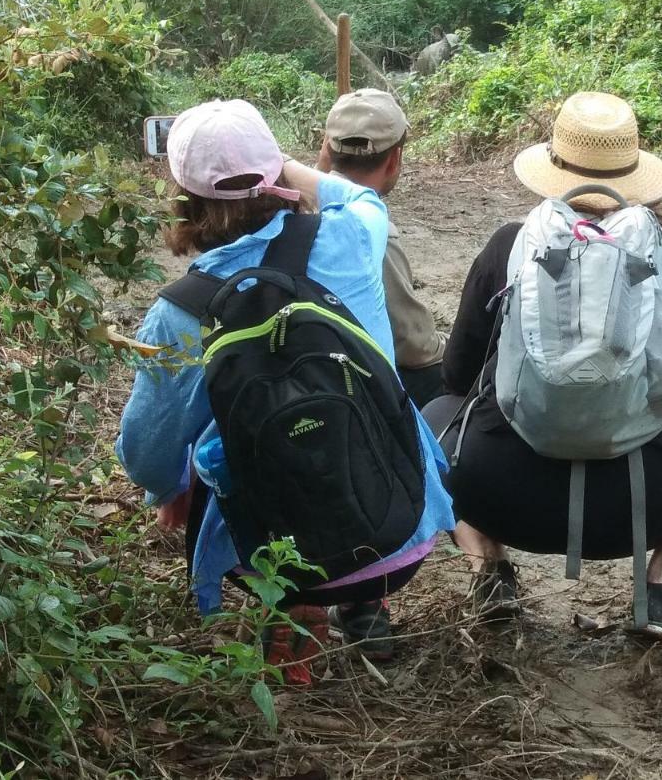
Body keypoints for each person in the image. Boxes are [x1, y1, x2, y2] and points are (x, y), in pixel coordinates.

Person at [116, 100, 454, 683]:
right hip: (404, 531)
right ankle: (362, 597)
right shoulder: (352, 237)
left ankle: (294, 606)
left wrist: (171, 487)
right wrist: (281, 168)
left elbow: (146, 453)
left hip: (269, 560)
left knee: (195, 459)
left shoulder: (178, 312)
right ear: (276, 177)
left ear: (181, 194)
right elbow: (361, 197)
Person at [421, 92, 662, 635]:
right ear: (637, 177)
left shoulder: (509, 248)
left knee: (430, 422)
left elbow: (458, 380)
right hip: (649, 504)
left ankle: (488, 565)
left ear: (552, 172)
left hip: (502, 496)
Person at [313, 89, 447, 409]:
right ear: (395, 159)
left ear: (327, 148)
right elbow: (413, 347)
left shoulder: (297, 203)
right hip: (352, 381)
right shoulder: (371, 232)